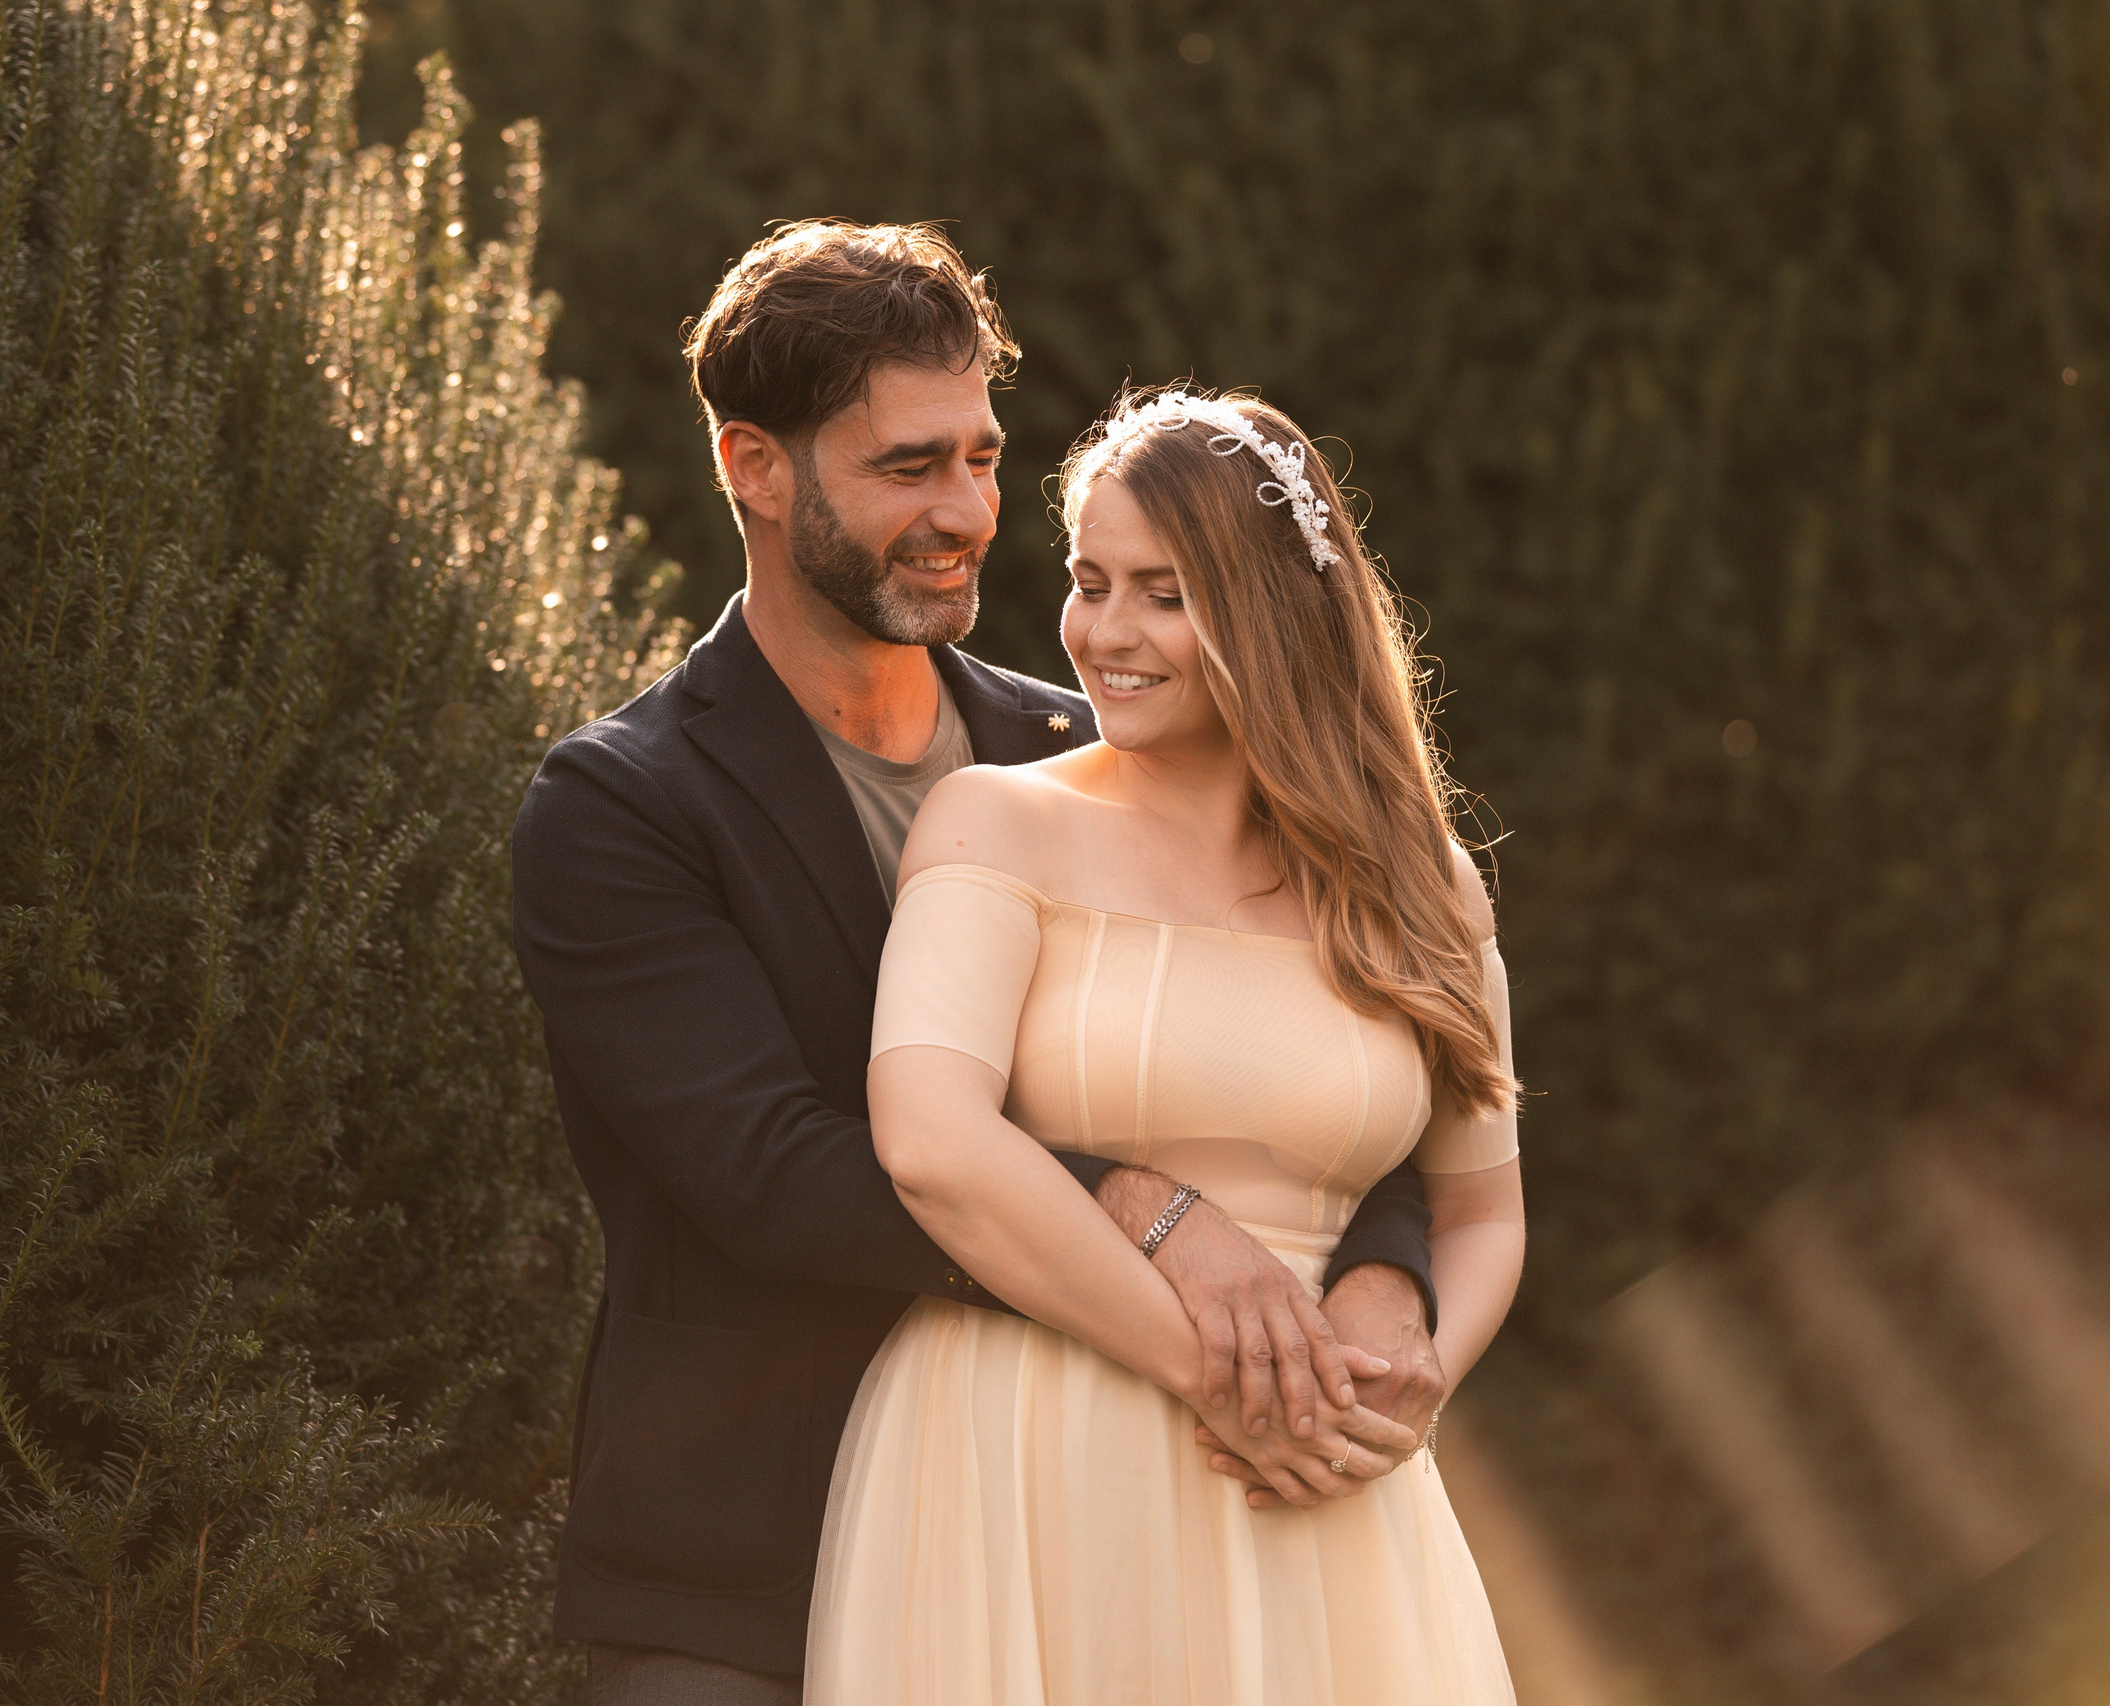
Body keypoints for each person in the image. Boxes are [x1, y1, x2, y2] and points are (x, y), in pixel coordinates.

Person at [511, 223, 1450, 1705]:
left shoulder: (1084, 745)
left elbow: (1313, 1059)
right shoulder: (623, 807)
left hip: (1107, 1515)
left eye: (981, 457)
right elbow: (770, 1168)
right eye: (907, 467)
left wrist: (1392, 1275)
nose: (965, 513)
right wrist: (1139, 1205)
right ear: (755, 465)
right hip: (746, 1563)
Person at [805, 386, 1527, 1704]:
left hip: (1317, 1476)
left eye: (1164, 592)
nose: (1105, 633)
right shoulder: (992, 826)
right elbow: (929, 1140)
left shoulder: (1427, 885)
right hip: (1033, 1443)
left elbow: (1483, 1211)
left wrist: (1413, 1369)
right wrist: (1214, 1370)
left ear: (1274, 617)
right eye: (1090, 581)